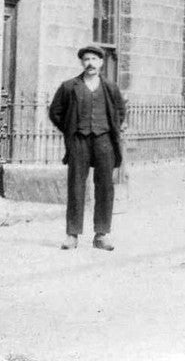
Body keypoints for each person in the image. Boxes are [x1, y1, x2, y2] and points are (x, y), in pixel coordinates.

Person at [48, 45, 127, 251]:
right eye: (86, 59)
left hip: (104, 141)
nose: (90, 63)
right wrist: (70, 128)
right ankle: (72, 235)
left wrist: (110, 130)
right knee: (76, 186)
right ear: (82, 63)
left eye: (94, 59)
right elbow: (55, 112)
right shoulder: (69, 87)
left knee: (105, 187)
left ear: (101, 62)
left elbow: (120, 111)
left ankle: (101, 234)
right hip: (79, 141)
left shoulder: (110, 87)